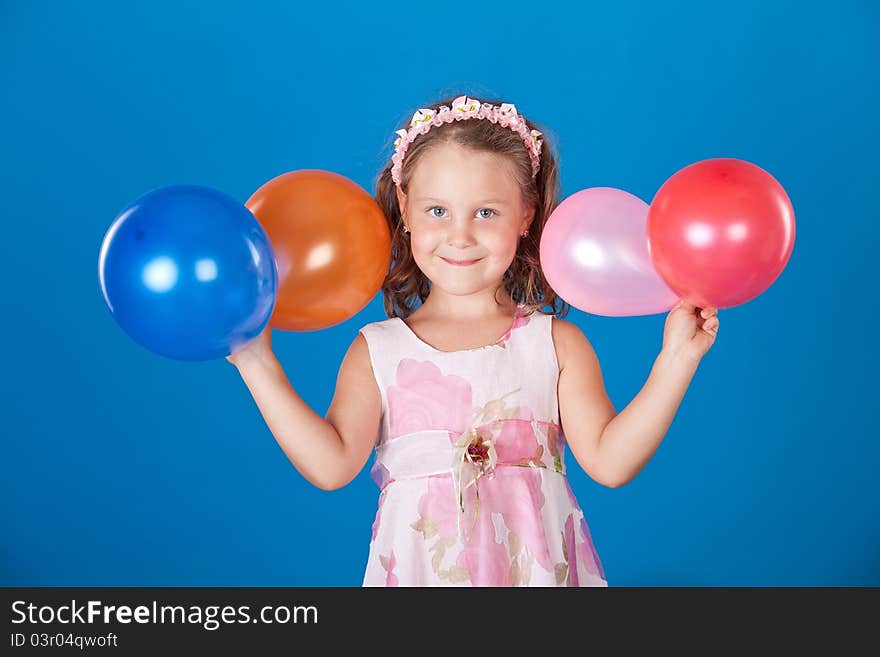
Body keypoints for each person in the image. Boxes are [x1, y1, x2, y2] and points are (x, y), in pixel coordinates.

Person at [226, 93, 720, 587]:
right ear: (405, 209)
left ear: (526, 215)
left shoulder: (556, 345)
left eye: (486, 213)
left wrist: (677, 357)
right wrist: (256, 363)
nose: (460, 236)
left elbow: (612, 464)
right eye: (437, 210)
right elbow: (331, 467)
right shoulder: (378, 350)